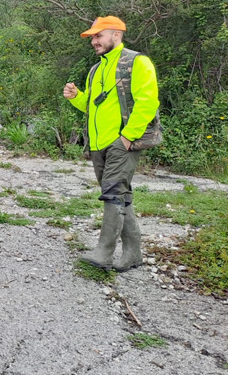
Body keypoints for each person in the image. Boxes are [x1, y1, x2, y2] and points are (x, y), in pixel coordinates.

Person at [63, 16, 159, 272]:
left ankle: (103, 253)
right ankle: (133, 253)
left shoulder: (137, 62)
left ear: (116, 34)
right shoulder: (96, 69)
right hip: (98, 144)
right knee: (120, 196)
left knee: (113, 195)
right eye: (92, 37)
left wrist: (127, 138)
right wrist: (76, 97)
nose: (93, 41)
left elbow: (148, 102)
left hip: (122, 143)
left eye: (98, 35)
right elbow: (92, 107)